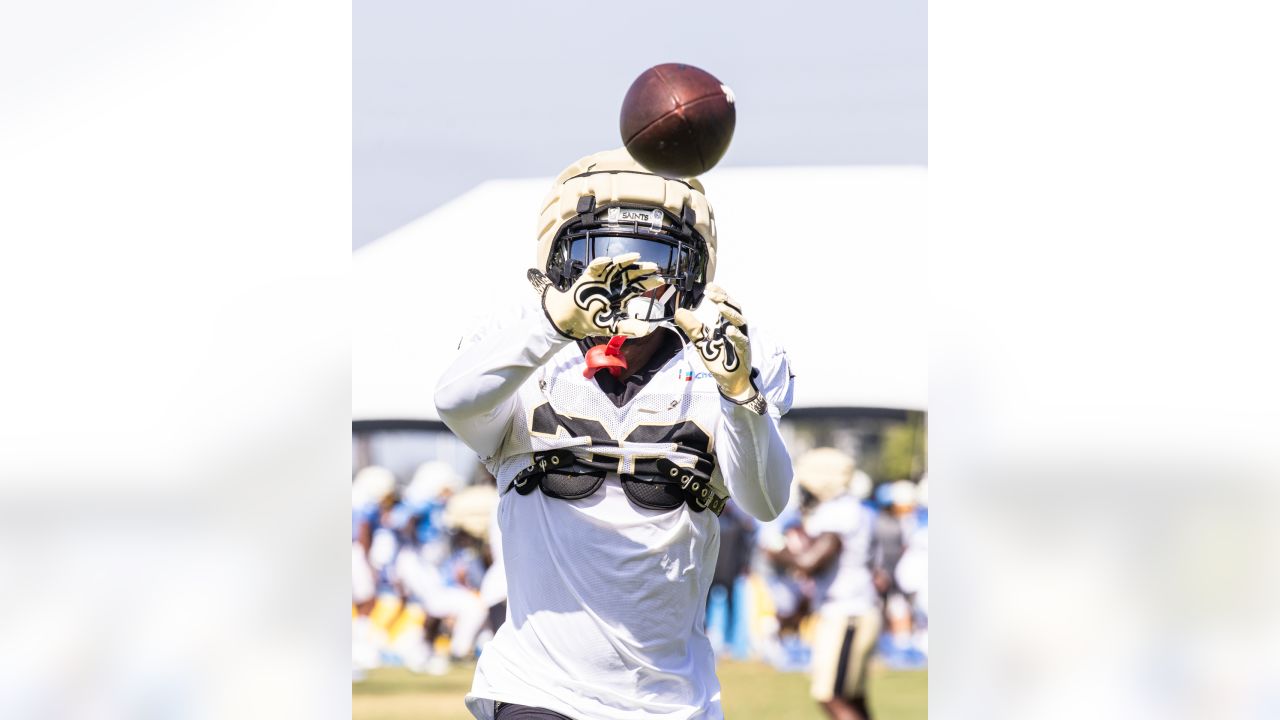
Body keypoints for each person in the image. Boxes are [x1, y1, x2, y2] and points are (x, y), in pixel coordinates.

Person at [434, 147, 795, 720]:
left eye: (653, 258)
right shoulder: (519, 346)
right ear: (559, 262)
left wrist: (739, 393)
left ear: (689, 271)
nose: (628, 278)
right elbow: (452, 401)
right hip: (539, 693)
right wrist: (553, 327)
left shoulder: (724, 360)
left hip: (674, 703)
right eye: (600, 255)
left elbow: (766, 500)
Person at [770, 448, 881, 720]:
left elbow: (811, 562)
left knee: (830, 695)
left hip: (848, 612)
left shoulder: (838, 510)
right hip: (851, 608)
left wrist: (773, 550)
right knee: (852, 696)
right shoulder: (851, 508)